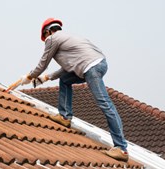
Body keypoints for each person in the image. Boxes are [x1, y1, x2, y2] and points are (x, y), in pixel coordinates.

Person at [19, 18, 129, 162]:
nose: (45, 41)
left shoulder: (52, 39)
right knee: (65, 80)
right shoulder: (69, 39)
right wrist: (45, 78)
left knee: (105, 104)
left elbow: (43, 63)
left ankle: (121, 148)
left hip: (91, 68)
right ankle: (65, 116)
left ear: (48, 31)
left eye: (45, 37)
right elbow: (66, 69)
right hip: (98, 64)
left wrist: (30, 76)